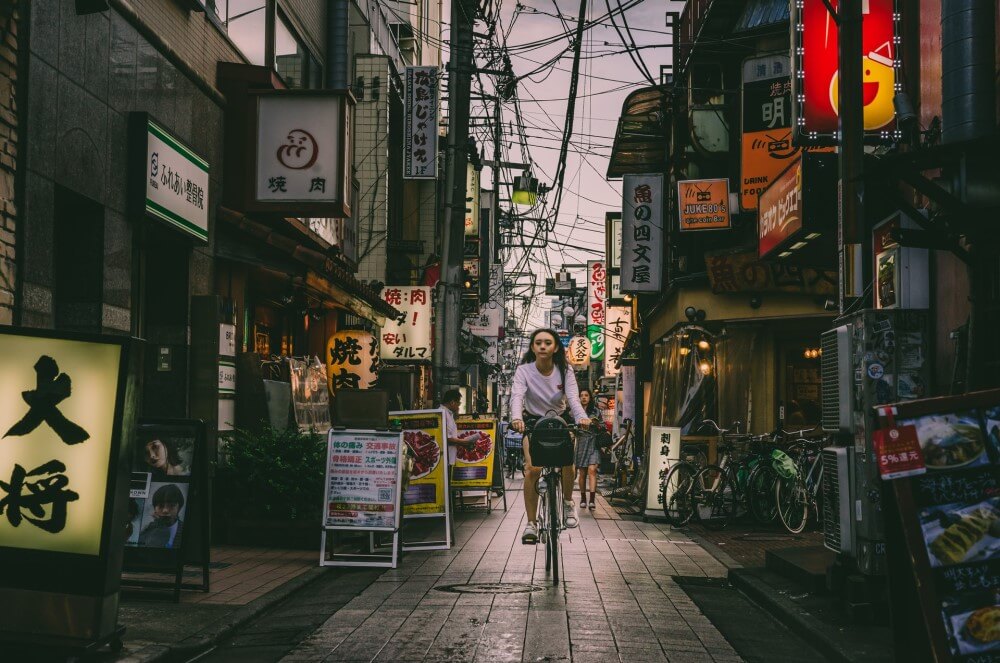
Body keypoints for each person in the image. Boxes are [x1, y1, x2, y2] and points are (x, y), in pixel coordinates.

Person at [510, 328, 591, 544]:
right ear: (532, 347)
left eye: (548, 342)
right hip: (533, 421)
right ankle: (531, 524)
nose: (543, 346)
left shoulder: (565, 370)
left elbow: (573, 398)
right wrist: (516, 418)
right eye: (538, 343)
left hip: (561, 419)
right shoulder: (524, 371)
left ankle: (567, 503)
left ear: (555, 347)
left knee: (568, 464)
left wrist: (582, 417)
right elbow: (517, 396)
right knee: (532, 469)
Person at [575, 389, 602, 511]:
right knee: (582, 473)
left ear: (590, 397)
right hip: (581, 443)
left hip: (593, 442)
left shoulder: (596, 411)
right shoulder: (575, 412)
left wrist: (595, 423)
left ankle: (592, 499)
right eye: (581, 395)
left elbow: (602, 425)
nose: (584, 398)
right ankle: (583, 498)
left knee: (592, 470)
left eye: (586, 395)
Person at [138, 484, 185, 548]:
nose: (165, 510)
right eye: (161, 506)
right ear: (155, 509)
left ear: (179, 508)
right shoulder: (146, 531)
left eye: (171, 505)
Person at [441, 389, 475, 465]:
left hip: (449, 457)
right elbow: (446, 438)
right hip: (445, 459)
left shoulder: (449, 414)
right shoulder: (442, 414)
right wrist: (463, 442)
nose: (459, 406)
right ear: (452, 402)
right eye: (458, 403)